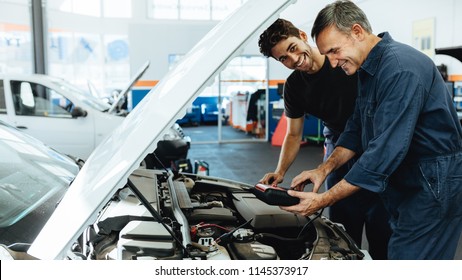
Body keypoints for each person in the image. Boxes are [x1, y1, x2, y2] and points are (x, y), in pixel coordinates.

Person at [284, 0, 462, 260]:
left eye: (334, 51)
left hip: (432, 183)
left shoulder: (399, 69)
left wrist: (322, 200)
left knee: (408, 259)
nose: (332, 63)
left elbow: (382, 154)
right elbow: (355, 129)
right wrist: (323, 169)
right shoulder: (368, 70)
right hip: (407, 180)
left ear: (357, 32)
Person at [257, 18, 391, 259]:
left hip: (373, 140)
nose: (294, 58)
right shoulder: (294, 87)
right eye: (283, 58)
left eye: (292, 47)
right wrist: (280, 171)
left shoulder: (342, 59)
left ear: (302, 35)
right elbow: (294, 133)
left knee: (380, 224)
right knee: (341, 227)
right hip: (338, 145)